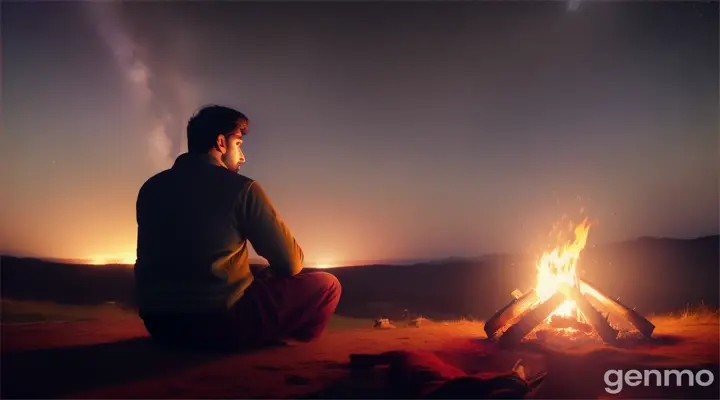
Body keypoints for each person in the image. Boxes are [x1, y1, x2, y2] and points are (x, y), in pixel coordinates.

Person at [134, 105, 342, 351]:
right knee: (328, 285)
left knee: (256, 273)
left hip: (161, 325)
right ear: (221, 143)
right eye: (239, 144)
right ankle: (288, 349)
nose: (242, 157)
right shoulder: (241, 188)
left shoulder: (151, 188)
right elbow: (291, 263)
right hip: (219, 324)